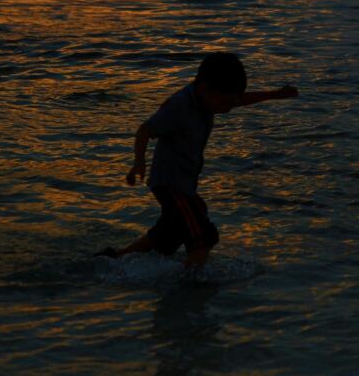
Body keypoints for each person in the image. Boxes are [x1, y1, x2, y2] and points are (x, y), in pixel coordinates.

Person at [96, 52, 299, 269]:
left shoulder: (208, 100)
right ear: (205, 88)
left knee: (171, 231)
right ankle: (192, 282)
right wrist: (138, 163)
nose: (231, 106)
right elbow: (145, 130)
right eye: (227, 100)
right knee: (202, 235)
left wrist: (275, 94)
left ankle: (115, 259)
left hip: (183, 184)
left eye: (233, 100)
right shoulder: (179, 106)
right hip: (170, 184)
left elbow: (242, 99)